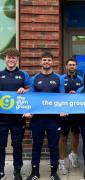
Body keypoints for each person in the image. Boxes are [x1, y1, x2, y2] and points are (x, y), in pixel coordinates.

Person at [25, 52, 63, 180]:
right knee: (37, 145)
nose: (46, 62)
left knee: (53, 146)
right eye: (44, 60)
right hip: (38, 119)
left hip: (54, 119)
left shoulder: (59, 78)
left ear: (52, 62)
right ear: (41, 62)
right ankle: (35, 172)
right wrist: (28, 110)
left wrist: (63, 109)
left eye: (49, 60)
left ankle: (54, 172)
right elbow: (30, 98)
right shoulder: (34, 78)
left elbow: (63, 97)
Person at [0, 48, 30, 180]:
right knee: (1, 145)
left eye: (14, 58)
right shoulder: (0, 74)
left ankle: (17, 170)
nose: (11, 60)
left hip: (18, 117)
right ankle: (1, 171)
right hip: (2, 118)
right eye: (9, 57)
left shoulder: (23, 75)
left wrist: (25, 89)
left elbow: (31, 91)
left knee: (17, 145)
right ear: (5, 59)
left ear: (17, 59)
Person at [58, 58, 83, 174]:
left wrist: (77, 94)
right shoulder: (61, 79)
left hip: (77, 113)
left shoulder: (81, 79)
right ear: (66, 66)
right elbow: (57, 94)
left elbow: (84, 95)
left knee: (76, 135)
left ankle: (73, 155)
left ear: (76, 67)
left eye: (74, 65)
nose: (72, 67)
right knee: (63, 137)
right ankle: (61, 162)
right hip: (64, 113)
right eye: (70, 65)